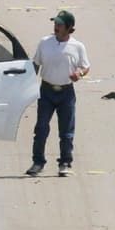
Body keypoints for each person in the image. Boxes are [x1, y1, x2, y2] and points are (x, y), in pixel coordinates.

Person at [26, 10, 90, 177]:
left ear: (69, 28)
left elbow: (85, 66)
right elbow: (35, 64)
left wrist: (80, 74)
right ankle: (38, 162)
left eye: (60, 24)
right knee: (41, 128)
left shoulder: (78, 46)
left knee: (66, 131)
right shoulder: (45, 42)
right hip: (46, 91)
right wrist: (25, 83)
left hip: (66, 92)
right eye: (55, 23)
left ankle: (65, 162)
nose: (56, 27)